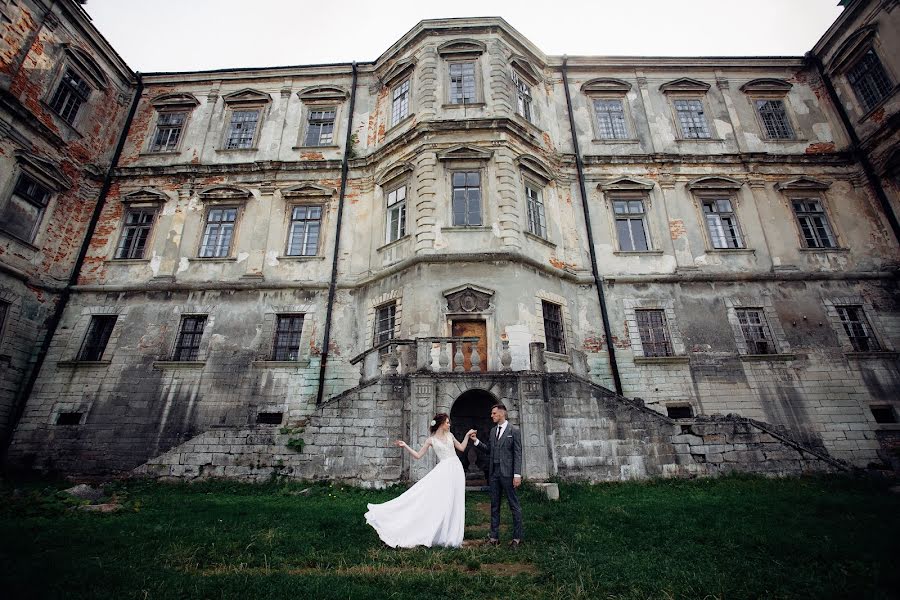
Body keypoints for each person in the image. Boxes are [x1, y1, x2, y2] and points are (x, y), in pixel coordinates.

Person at [365, 413, 476, 548]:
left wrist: (466, 436)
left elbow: (462, 448)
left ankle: (450, 534)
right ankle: (435, 531)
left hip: (456, 470)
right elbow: (418, 455)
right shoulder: (431, 440)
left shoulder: (450, 435)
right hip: (444, 471)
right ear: (441, 424)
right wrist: (405, 445)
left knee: (454, 500)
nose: (449, 424)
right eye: (447, 422)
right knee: (439, 500)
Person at [469, 402, 523, 547]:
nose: (491, 416)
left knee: (514, 505)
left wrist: (517, 474)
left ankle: (517, 539)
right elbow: (489, 450)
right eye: (491, 414)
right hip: (494, 473)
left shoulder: (514, 430)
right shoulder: (493, 431)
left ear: (502, 413)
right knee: (494, 505)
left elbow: (517, 454)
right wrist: (476, 441)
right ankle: (494, 538)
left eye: (494, 413)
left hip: (508, 474)